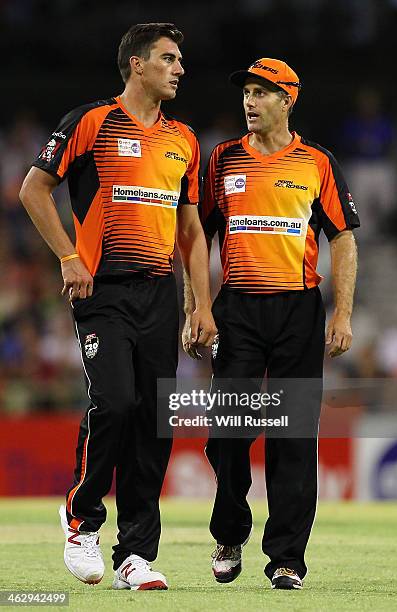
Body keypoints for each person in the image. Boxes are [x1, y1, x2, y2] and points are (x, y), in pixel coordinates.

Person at [20, 23, 217, 591]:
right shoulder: (89, 122)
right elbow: (33, 189)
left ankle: (135, 553)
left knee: (154, 423)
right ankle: (80, 520)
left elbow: (192, 232)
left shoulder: (183, 139)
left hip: (159, 293)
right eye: (169, 59)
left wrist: (200, 306)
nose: (179, 68)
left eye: (180, 60)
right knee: (115, 403)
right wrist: (66, 256)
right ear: (137, 64)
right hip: (101, 290)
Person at [183, 58, 359, 590]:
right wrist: (199, 306)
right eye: (247, 92)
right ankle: (230, 533)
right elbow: (195, 237)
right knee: (228, 435)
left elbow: (344, 238)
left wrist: (343, 312)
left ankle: (287, 558)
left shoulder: (317, 162)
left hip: (298, 312)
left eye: (262, 92)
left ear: (289, 99)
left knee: (294, 438)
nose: (250, 101)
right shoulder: (222, 160)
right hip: (237, 310)